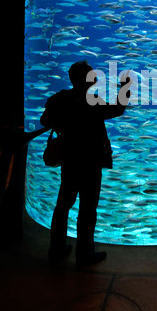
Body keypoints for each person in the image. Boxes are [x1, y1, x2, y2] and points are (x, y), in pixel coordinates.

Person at [40, 60, 131, 267]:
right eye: (90, 72)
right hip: (90, 161)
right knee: (88, 208)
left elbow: (45, 120)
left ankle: (56, 249)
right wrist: (125, 87)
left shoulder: (61, 98)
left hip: (70, 160)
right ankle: (84, 254)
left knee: (63, 205)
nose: (94, 74)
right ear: (82, 78)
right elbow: (117, 109)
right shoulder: (92, 101)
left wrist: (64, 125)